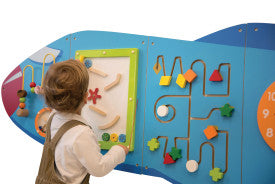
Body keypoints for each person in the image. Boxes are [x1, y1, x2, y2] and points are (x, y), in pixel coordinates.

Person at [36, 59, 128, 184]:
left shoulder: (52, 117)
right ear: (86, 97)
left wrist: (44, 92)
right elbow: (99, 168)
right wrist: (119, 151)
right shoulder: (81, 134)